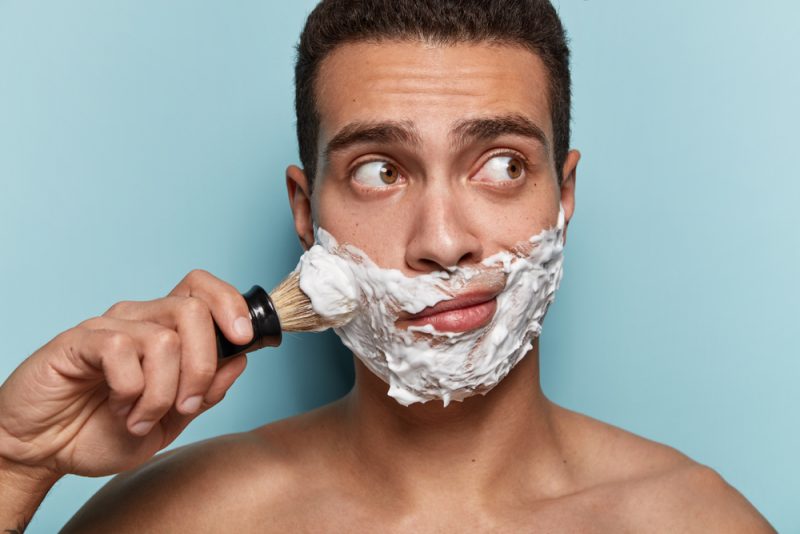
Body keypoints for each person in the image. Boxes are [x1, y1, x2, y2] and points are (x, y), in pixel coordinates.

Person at [0, 1, 774, 531]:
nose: (442, 240)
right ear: (307, 213)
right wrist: (14, 464)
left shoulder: (695, 522)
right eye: (380, 170)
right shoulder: (172, 520)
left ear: (563, 195)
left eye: (501, 165)